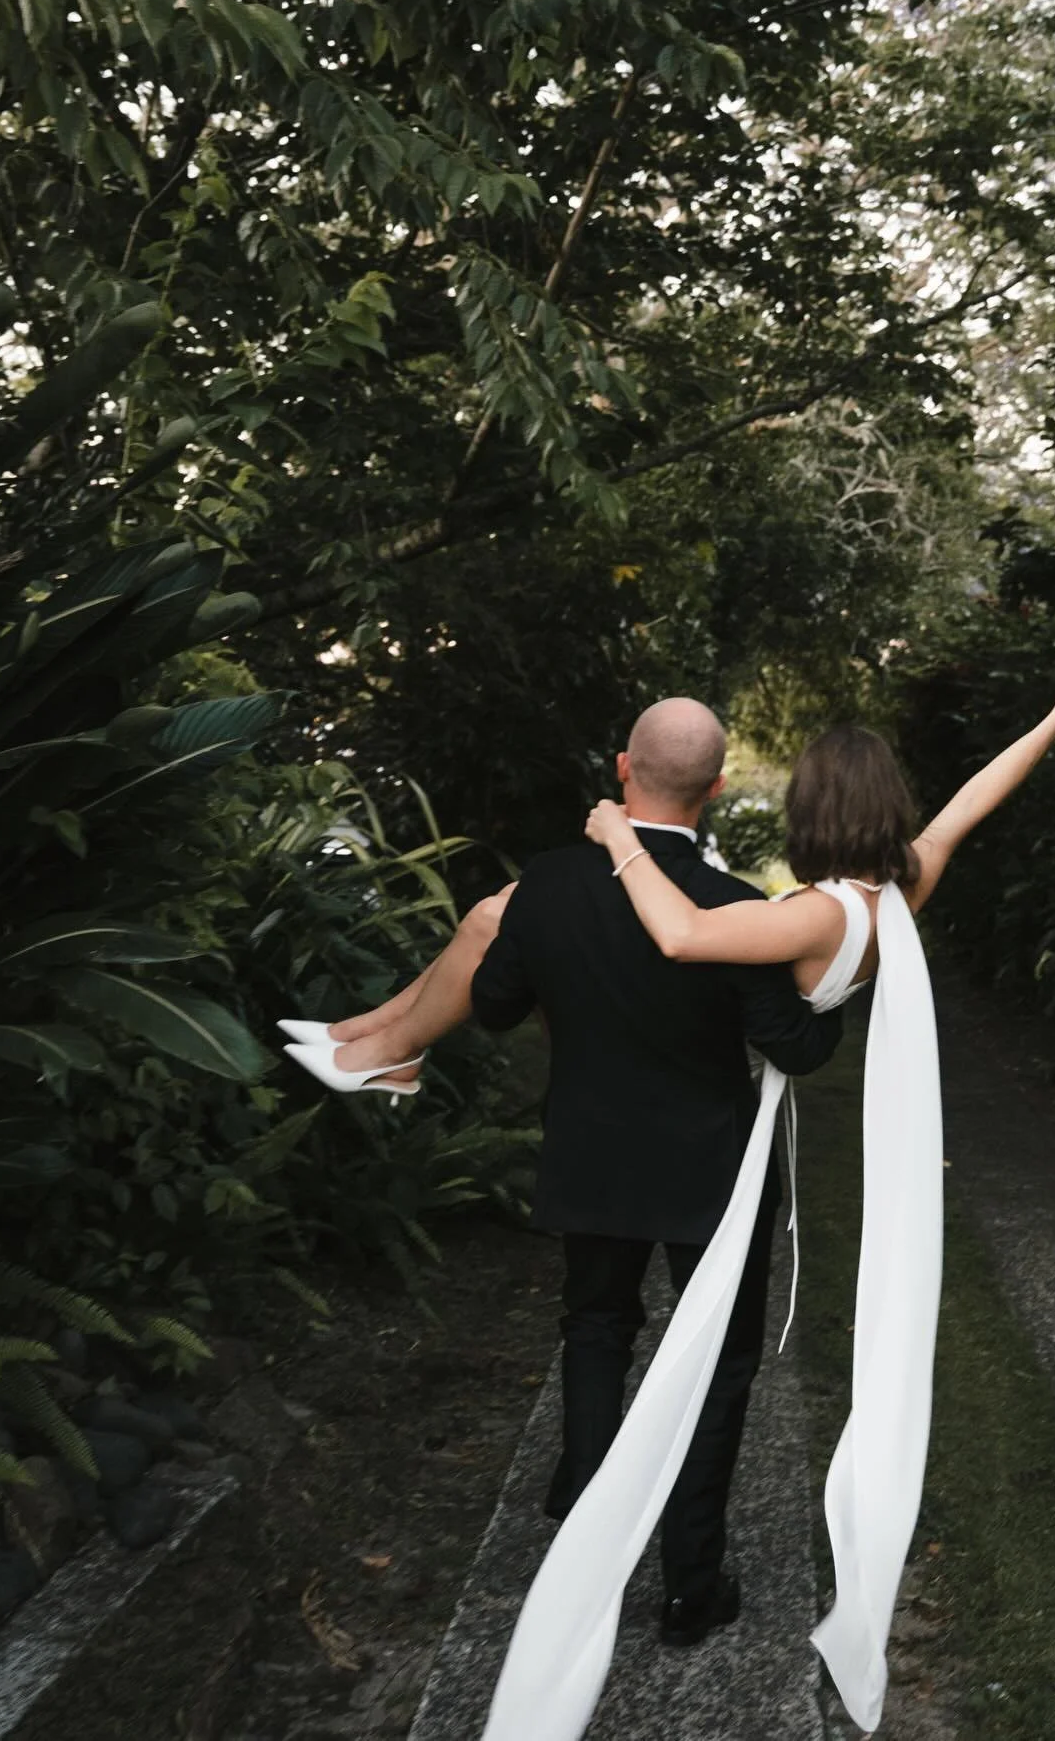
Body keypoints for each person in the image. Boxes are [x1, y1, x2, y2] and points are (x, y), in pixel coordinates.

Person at [283, 697, 845, 1641]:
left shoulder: (546, 883)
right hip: (712, 1170)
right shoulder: (738, 906)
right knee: (718, 1369)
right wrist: (841, 983)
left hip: (592, 1153)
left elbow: (496, 1006)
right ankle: (689, 1586)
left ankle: (588, 1552)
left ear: (623, 768)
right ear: (713, 790)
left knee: (595, 1332)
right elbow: (791, 1041)